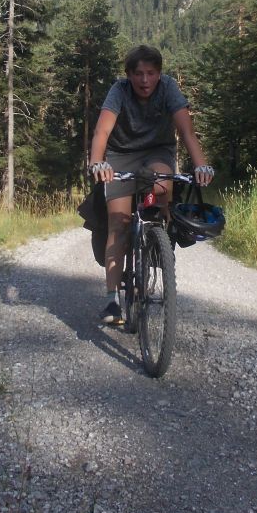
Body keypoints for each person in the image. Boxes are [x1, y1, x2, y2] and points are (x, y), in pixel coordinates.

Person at [88, 44, 214, 324]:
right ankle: (112, 300)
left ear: (159, 74)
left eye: (151, 73)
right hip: (121, 156)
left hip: (158, 152)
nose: (145, 80)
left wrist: (201, 164)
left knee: (161, 186)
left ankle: (160, 241)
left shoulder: (168, 88)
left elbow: (187, 131)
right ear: (129, 75)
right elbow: (102, 131)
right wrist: (98, 162)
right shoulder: (119, 91)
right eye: (139, 74)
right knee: (118, 224)